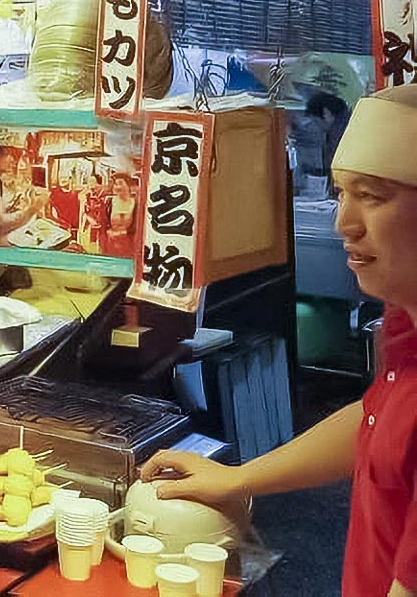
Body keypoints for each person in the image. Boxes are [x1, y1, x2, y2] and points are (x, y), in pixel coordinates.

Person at [141, 85, 417, 597]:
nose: (344, 224)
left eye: (373, 197)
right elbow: (379, 421)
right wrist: (237, 479)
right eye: (341, 193)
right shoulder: (407, 324)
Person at [306, 92, 352, 187]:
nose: (317, 127)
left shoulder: (340, 134)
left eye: (316, 121)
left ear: (326, 113)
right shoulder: (345, 125)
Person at [100, 173, 137, 257]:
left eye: (120, 183)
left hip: (129, 245)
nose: (117, 187)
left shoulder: (137, 204)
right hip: (111, 244)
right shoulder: (108, 202)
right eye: (115, 184)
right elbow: (103, 225)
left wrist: (123, 233)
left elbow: (138, 227)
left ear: (128, 185)